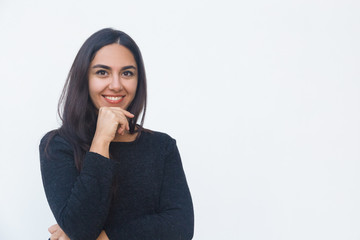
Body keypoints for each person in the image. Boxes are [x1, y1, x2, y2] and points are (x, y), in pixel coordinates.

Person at [39, 28, 194, 240]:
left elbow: (180, 226)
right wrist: (101, 140)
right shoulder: (57, 145)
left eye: (127, 73)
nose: (115, 85)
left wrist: (105, 237)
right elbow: (80, 229)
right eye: (102, 72)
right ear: (84, 78)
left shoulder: (161, 146)